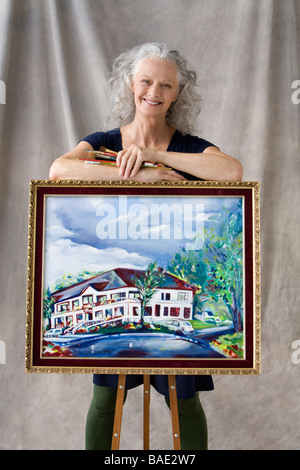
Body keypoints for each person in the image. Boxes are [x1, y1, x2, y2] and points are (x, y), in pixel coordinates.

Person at [49, 43, 243, 450]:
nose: (154, 91)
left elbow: (232, 170)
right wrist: (142, 176)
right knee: (106, 400)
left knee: (184, 404)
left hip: (163, 263)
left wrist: (154, 156)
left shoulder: (188, 147)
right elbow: (60, 169)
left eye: (166, 85)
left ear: (176, 94)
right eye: (146, 81)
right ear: (130, 85)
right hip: (127, 269)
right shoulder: (103, 142)